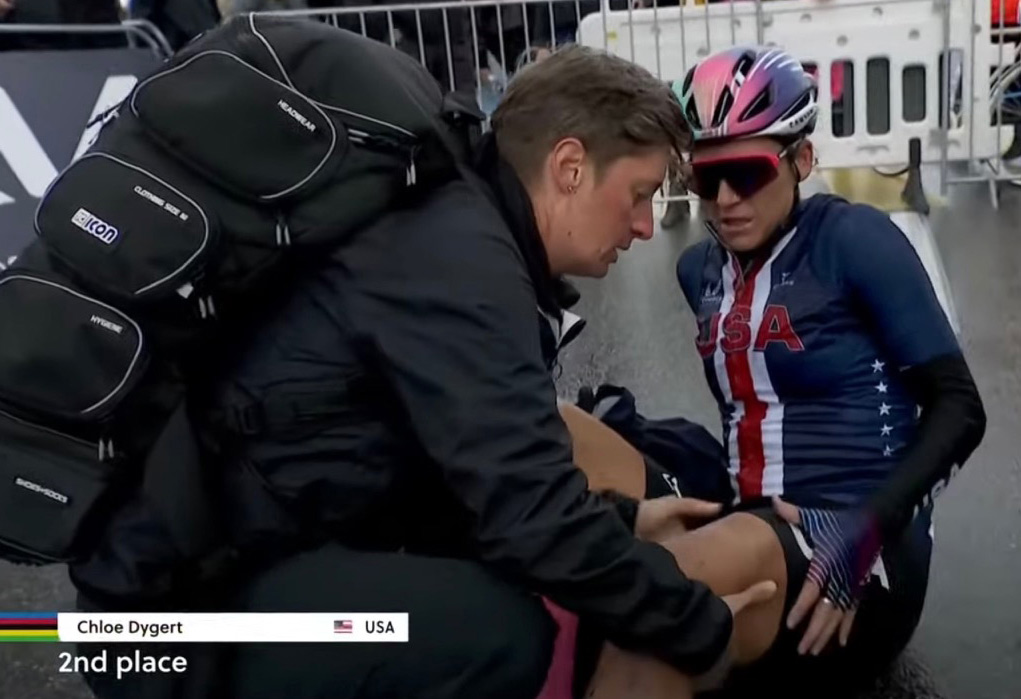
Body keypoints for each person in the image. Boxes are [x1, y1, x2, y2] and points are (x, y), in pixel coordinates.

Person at [71, 45, 777, 699]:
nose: (647, 226)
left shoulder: (448, 222)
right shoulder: (459, 259)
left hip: (214, 562)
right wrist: (699, 623)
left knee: (501, 594)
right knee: (499, 634)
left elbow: (452, 479)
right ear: (568, 166)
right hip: (164, 623)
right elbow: (527, 518)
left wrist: (622, 518)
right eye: (639, 193)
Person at [571, 44, 987, 698]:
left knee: (647, 602)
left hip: (855, 547)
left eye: (747, 170)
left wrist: (871, 520)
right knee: (557, 428)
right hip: (745, 501)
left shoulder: (855, 241)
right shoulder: (698, 270)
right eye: (704, 180)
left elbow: (959, 407)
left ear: (801, 159)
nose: (726, 200)